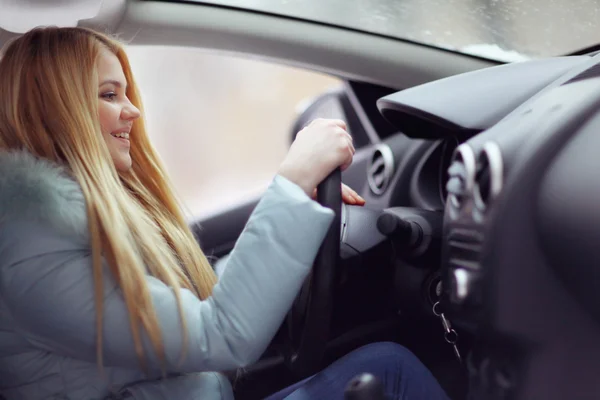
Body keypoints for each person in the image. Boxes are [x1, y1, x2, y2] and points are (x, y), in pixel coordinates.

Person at [0, 27, 449, 400]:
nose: (133, 110)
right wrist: (292, 182)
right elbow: (219, 334)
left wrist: (301, 208)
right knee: (392, 374)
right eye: (109, 94)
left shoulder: (57, 229)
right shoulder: (32, 249)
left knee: (387, 364)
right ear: (58, 111)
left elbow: (200, 305)